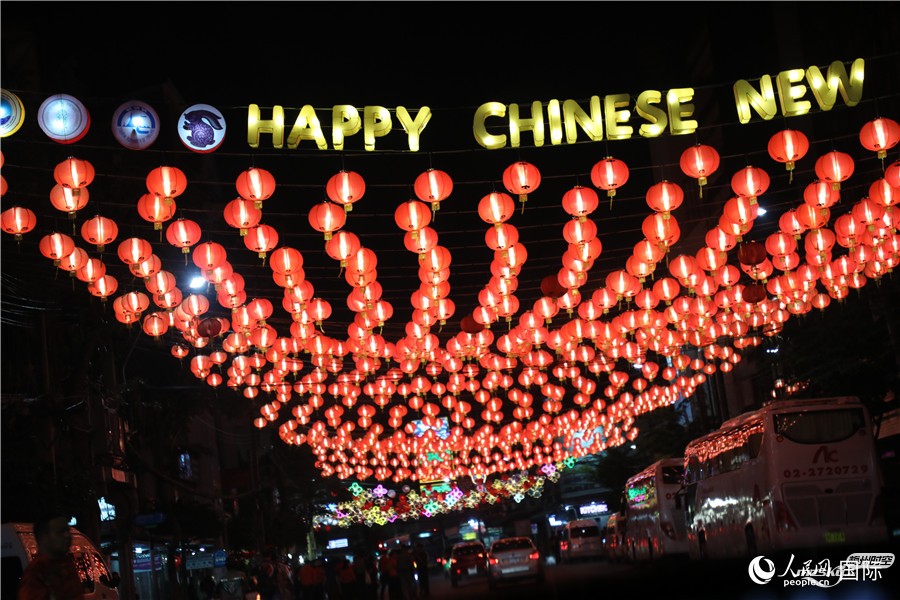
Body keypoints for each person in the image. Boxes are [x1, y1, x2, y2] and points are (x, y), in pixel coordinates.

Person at [17, 512, 86, 600]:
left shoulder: (66, 564)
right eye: (60, 532)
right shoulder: (36, 574)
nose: (67, 536)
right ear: (43, 537)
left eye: (68, 531)